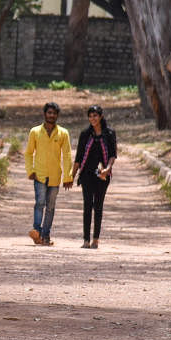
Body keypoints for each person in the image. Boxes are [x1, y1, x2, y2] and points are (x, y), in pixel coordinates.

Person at [23, 101, 74, 246]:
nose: (51, 115)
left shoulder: (63, 133)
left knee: (50, 207)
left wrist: (68, 177)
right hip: (39, 174)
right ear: (45, 114)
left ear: (57, 115)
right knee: (39, 203)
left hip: (55, 176)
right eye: (49, 112)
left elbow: (67, 155)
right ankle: (37, 231)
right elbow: (28, 153)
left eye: (54, 113)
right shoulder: (35, 132)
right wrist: (30, 170)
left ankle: (45, 235)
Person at [70, 104, 117, 249]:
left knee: (98, 206)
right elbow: (78, 157)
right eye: (90, 116)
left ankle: (96, 239)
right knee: (87, 205)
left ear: (101, 116)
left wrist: (107, 169)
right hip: (86, 174)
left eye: (95, 116)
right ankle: (85, 239)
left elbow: (112, 155)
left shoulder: (109, 133)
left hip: (102, 175)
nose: (93, 119)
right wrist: (71, 176)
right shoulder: (85, 134)